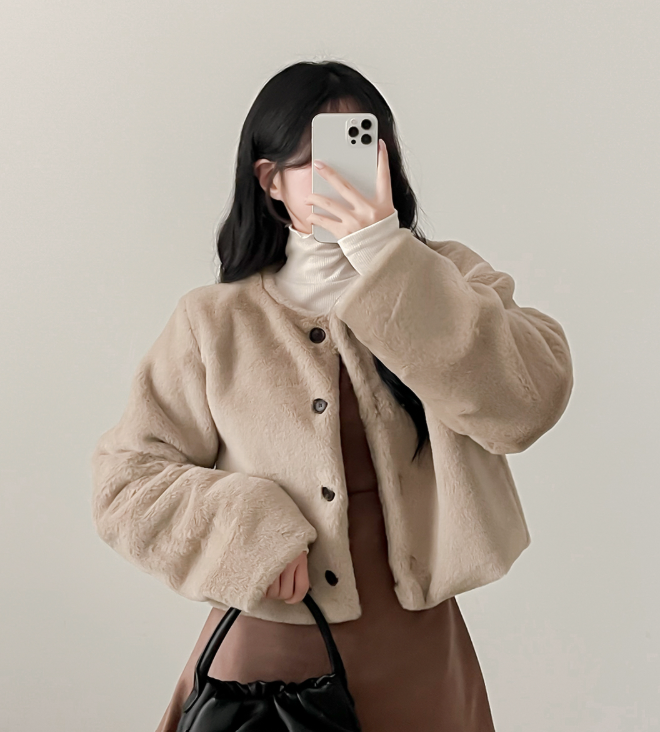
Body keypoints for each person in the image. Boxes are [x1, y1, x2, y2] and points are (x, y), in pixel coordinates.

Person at [90, 60, 574, 731]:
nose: (348, 177)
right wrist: (248, 530)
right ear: (270, 180)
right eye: (321, 161)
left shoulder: (448, 280)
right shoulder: (214, 321)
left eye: (364, 152)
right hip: (269, 661)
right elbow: (125, 482)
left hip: (419, 654)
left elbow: (528, 403)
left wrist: (384, 256)